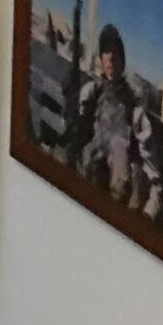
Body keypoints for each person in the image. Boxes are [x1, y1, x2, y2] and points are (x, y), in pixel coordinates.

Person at [64, 24, 147, 207]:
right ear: (101, 60)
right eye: (106, 54)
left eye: (115, 54)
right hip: (91, 162)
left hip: (117, 166)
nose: (110, 59)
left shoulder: (132, 101)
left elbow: (136, 152)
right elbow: (79, 127)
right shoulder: (92, 91)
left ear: (122, 61)